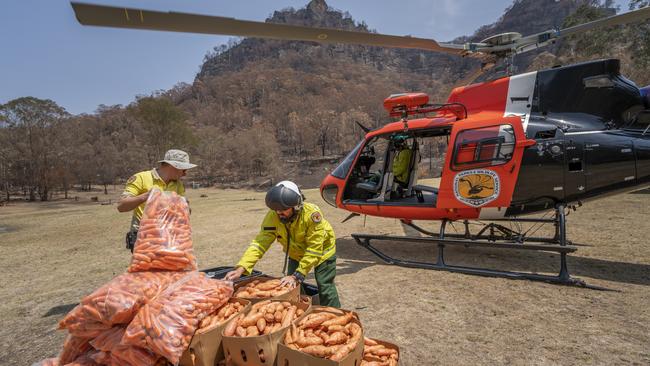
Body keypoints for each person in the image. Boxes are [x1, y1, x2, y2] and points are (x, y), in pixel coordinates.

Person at [225, 181, 341, 308]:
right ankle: (303, 309)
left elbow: (314, 248)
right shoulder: (273, 216)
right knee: (291, 286)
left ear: (296, 206)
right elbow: (260, 243)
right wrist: (242, 267)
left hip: (322, 252)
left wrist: (298, 275)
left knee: (324, 285)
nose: (279, 213)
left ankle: (333, 312)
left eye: (284, 209)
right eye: (276, 210)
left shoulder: (312, 215)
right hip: (295, 253)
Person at [117, 149, 197, 252]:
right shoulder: (141, 178)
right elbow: (121, 206)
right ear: (174, 166)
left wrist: (184, 207)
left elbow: (185, 213)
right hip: (145, 239)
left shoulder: (178, 184)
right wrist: (145, 196)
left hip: (170, 238)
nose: (185, 174)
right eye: (184, 169)